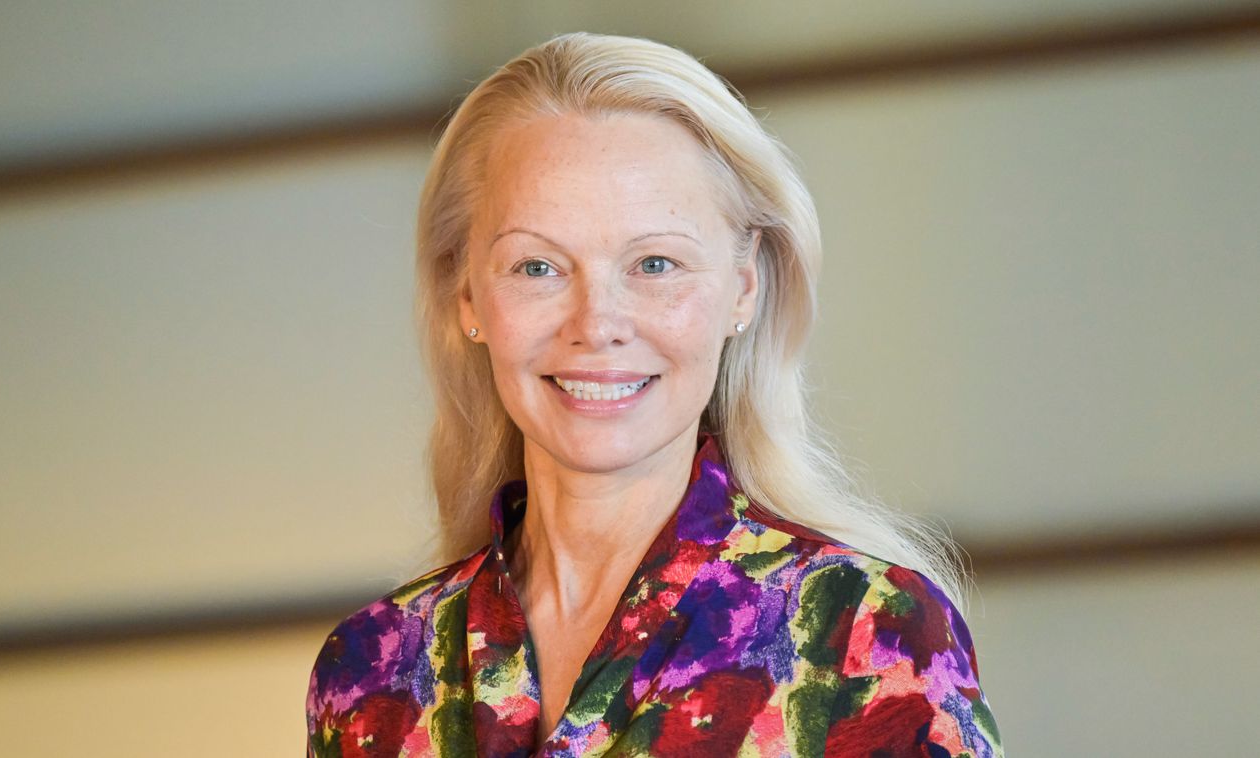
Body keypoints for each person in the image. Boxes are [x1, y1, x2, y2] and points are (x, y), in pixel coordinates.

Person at [306, 32, 1001, 757]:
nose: (596, 325)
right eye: (536, 265)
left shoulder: (865, 632)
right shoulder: (371, 670)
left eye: (655, 263)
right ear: (466, 295)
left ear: (743, 287)